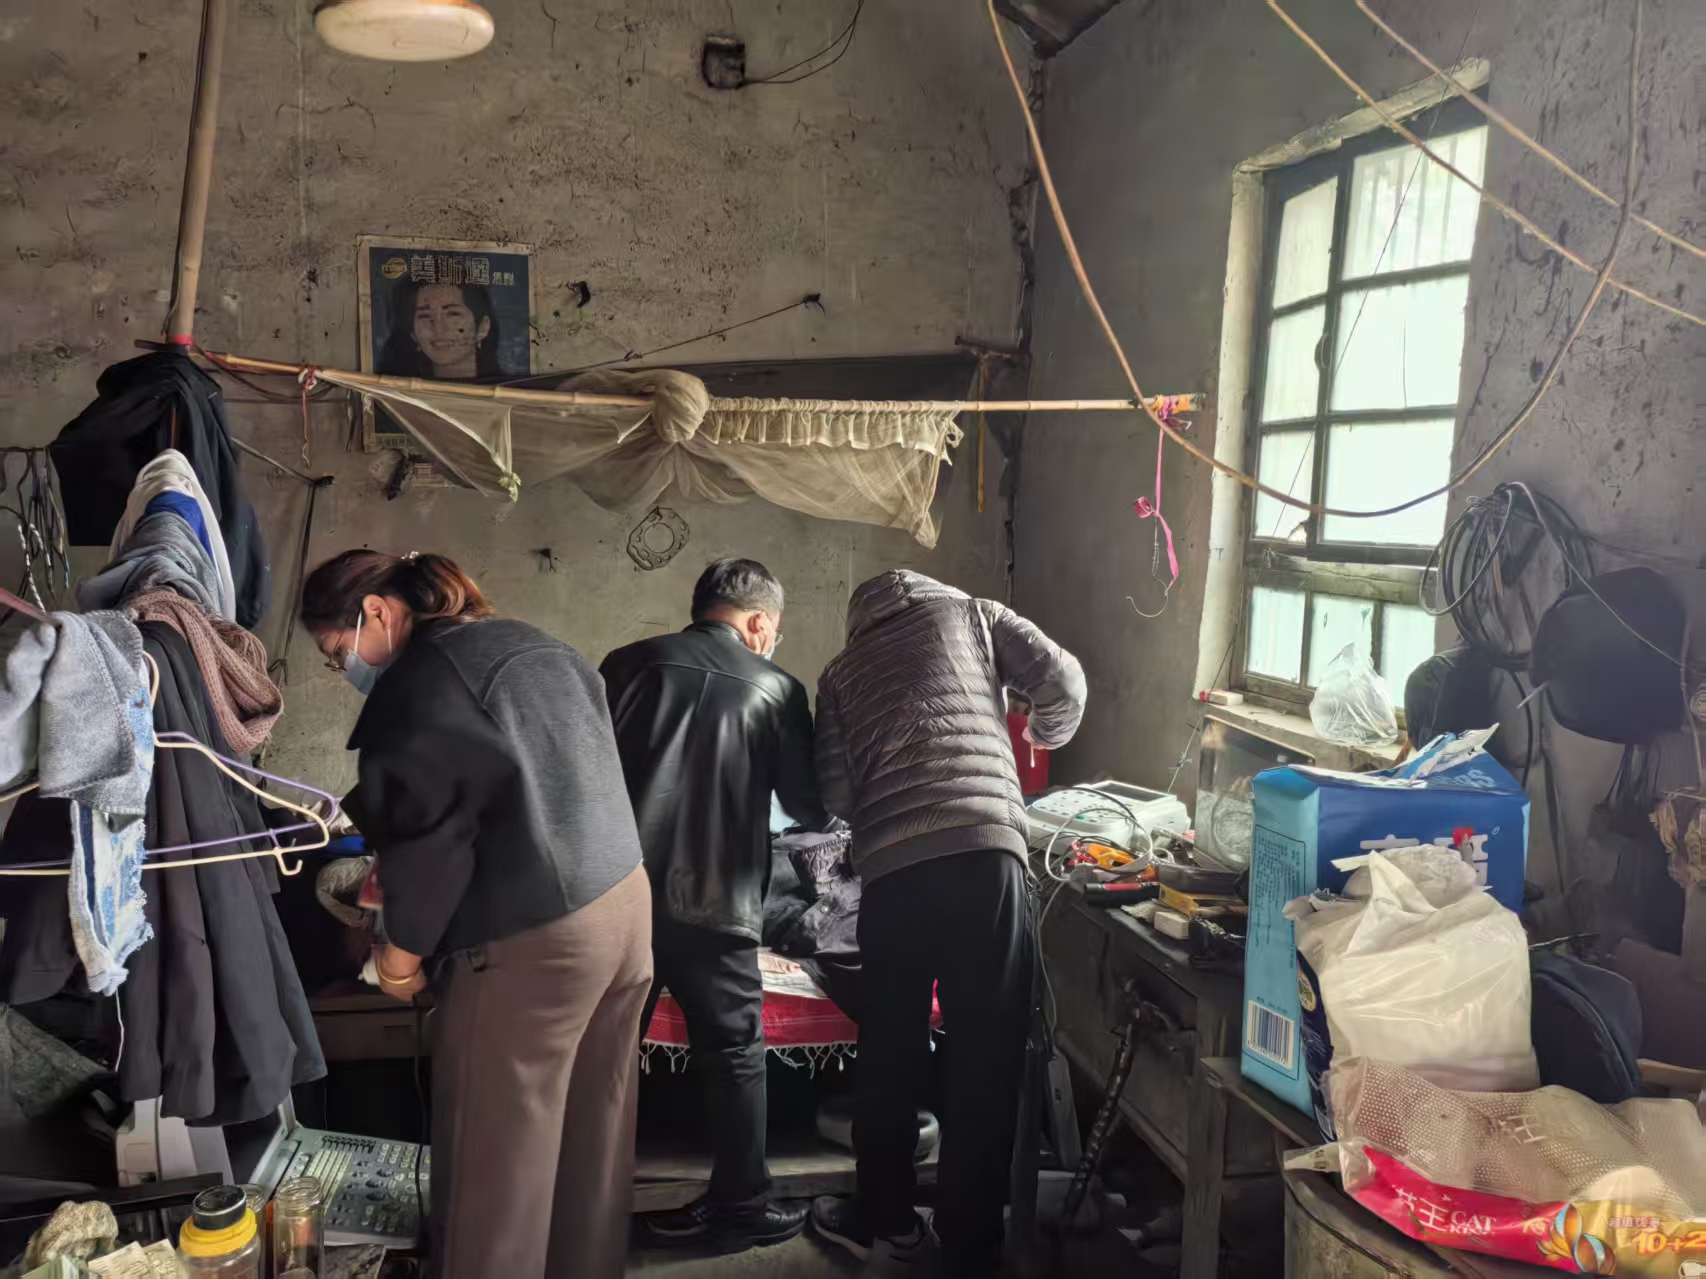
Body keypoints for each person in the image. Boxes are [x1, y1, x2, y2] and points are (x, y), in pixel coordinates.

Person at [302, 549, 652, 1279]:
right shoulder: (536, 645)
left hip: (538, 940)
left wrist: (397, 962)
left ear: (376, 613)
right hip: (625, 909)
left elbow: (432, 847)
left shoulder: (421, 682)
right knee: (591, 1140)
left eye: (338, 654)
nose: (345, 671)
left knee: (495, 1168)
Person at [808, 570, 1086, 1277]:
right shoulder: (973, 615)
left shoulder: (839, 673)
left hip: (893, 872)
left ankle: (890, 1227)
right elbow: (1063, 681)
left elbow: (835, 792)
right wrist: (1037, 734)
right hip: (985, 851)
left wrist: (891, 808)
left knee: (889, 1048)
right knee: (986, 1053)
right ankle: (969, 1247)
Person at [600, 558, 824, 1251]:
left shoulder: (626, 665)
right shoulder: (778, 689)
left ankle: (581, 1205)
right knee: (734, 1055)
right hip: (719, 903)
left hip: (620, 895)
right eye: (774, 630)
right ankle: (741, 1206)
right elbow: (806, 805)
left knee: (604, 1052)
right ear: (758, 622)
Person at [377, 279, 505, 380]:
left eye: (453, 314)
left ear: (483, 327)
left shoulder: (509, 390)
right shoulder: (393, 390)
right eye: (425, 316)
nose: (438, 328)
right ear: (412, 332)